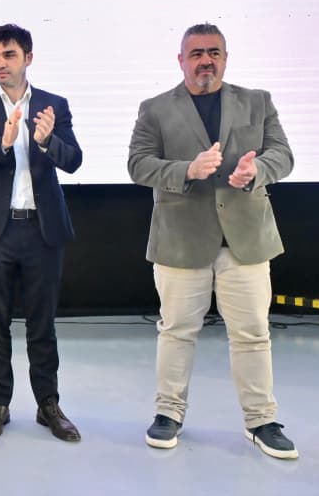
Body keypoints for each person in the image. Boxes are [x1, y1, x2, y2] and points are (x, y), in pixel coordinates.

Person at [127, 23, 298, 459]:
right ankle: (168, 413)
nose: (206, 60)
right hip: (181, 242)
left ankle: (261, 420)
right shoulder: (155, 109)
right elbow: (139, 165)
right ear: (181, 60)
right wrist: (187, 170)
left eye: (214, 52)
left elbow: (282, 155)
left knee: (253, 334)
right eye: (197, 53)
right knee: (176, 332)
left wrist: (256, 171)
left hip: (246, 240)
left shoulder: (258, 102)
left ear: (225, 57)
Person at [0, 23, 83, 442]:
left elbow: (74, 160)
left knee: (43, 324)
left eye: (8, 55)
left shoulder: (52, 105)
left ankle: (48, 405)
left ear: (28, 57)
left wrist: (46, 142)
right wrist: (3, 144)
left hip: (42, 230)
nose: (0, 64)